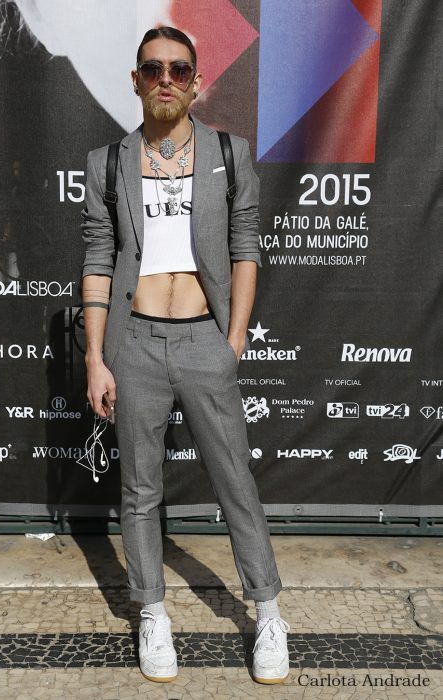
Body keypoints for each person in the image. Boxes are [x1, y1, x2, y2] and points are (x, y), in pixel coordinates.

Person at [81, 26, 289, 685]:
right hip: (134, 343)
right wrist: (95, 358)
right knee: (140, 491)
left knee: (235, 483)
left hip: (205, 339)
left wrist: (233, 341)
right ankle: (152, 614)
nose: (165, 79)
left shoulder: (229, 152)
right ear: (136, 81)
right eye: (152, 69)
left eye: (178, 69)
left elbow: (246, 246)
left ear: (196, 82)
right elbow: (97, 259)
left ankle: (268, 612)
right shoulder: (107, 163)